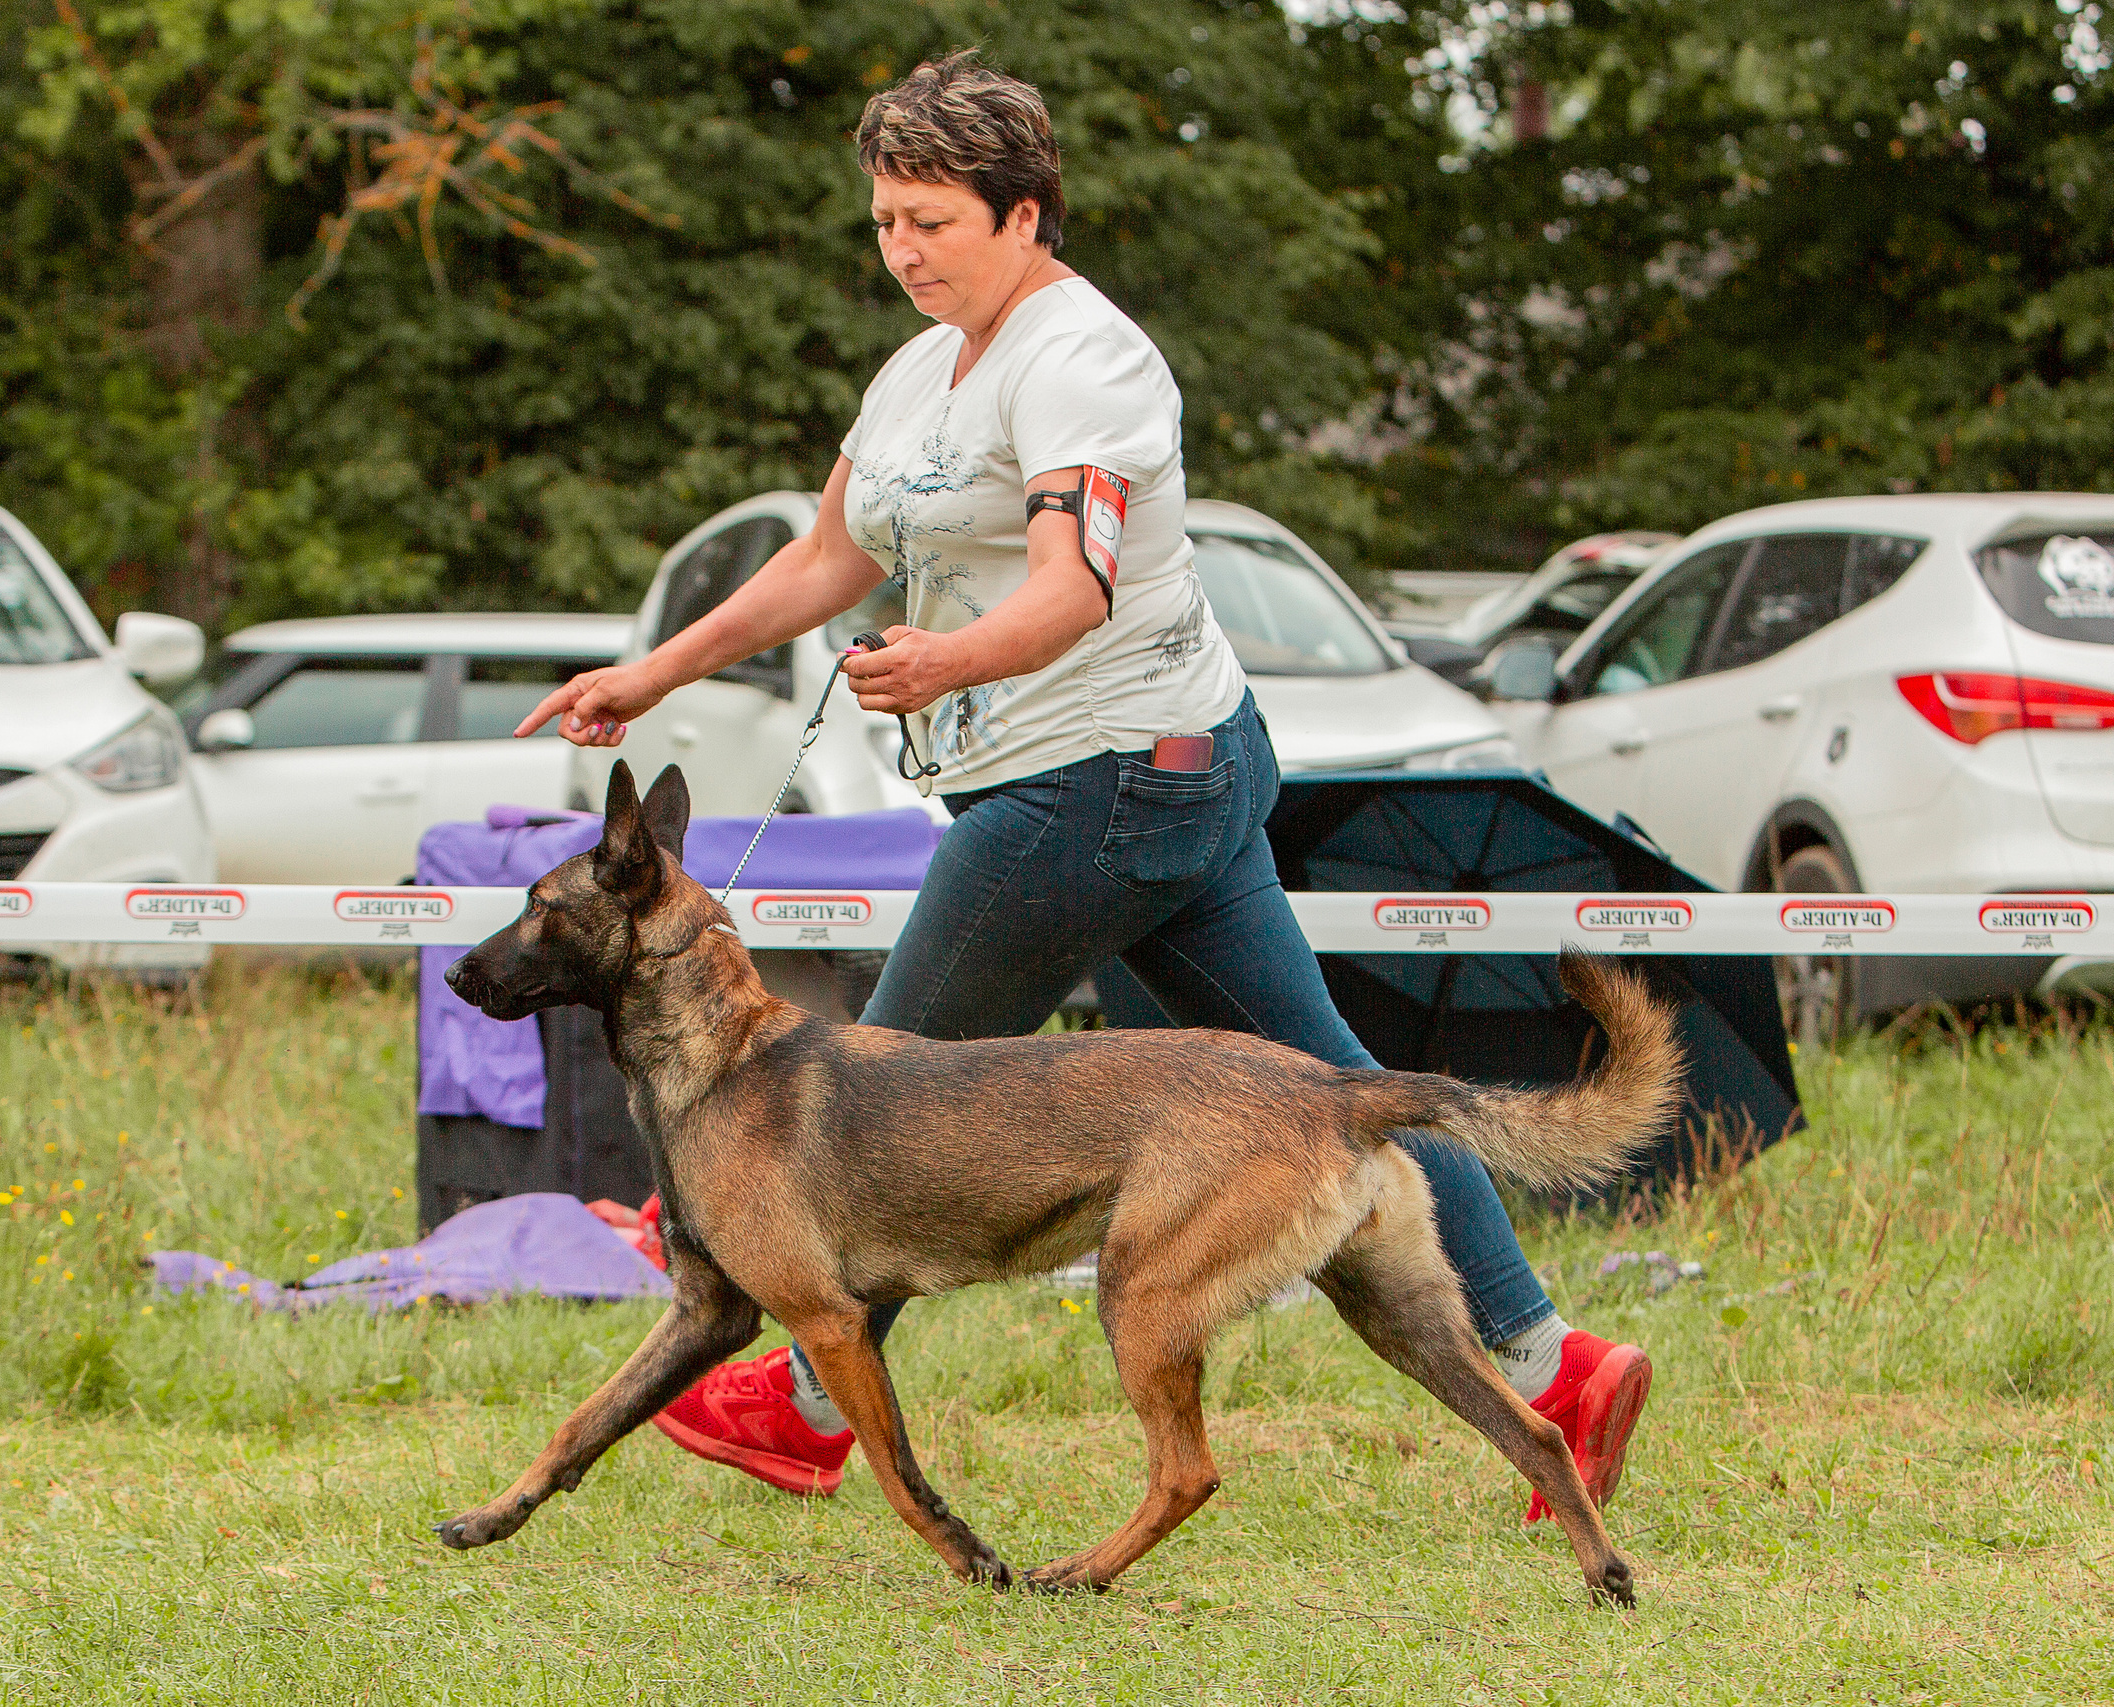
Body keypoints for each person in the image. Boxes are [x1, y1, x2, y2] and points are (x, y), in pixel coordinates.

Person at [516, 52, 1649, 1526]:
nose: (901, 251)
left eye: (931, 220)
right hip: (1157, 773)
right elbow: (822, 561)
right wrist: (652, 676)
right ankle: (1552, 1364)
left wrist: (944, 664)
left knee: (868, 1091)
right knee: (1325, 1092)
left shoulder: (1087, 362)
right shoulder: (922, 368)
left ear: (1027, 214)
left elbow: (1077, 588)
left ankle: (797, 1401)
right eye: (883, 221)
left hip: (1097, 782)